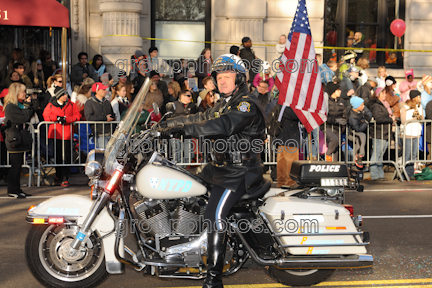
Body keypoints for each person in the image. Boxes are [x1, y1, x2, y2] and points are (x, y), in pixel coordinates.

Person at [159, 54, 265, 288]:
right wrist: (169, 124)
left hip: (240, 171)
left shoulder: (246, 103)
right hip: (220, 168)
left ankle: (213, 280)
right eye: (219, 77)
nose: (222, 81)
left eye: (227, 76)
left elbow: (224, 125)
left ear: (239, 78)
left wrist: (183, 132)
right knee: (188, 194)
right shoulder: (225, 103)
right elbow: (202, 116)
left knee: (214, 216)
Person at [43, 87, 81, 187]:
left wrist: (67, 119)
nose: (66, 96)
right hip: (55, 134)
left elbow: (78, 116)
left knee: (67, 156)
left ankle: (65, 177)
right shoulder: (51, 105)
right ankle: (58, 176)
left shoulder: (71, 105)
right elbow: (46, 116)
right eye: (64, 94)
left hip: (67, 134)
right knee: (58, 156)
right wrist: (57, 118)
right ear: (59, 96)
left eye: (66, 94)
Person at [3, 83, 36, 198]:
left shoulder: (18, 105)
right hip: (13, 138)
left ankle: (17, 188)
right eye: (22, 92)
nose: (24, 94)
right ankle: (12, 189)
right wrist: (27, 105)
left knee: (19, 165)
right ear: (16, 93)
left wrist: (28, 104)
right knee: (15, 165)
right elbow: (24, 117)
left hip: (19, 137)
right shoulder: (11, 106)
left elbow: (30, 113)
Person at [365, 87, 396, 181]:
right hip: (379, 132)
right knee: (376, 154)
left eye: (385, 93)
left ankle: (380, 174)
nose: (384, 95)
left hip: (386, 132)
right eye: (382, 93)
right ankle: (375, 175)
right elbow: (378, 118)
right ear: (377, 95)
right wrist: (391, 119)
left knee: (380, 154)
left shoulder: (384, 104)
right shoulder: (376, 105)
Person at [84, 82, 114, 149]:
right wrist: (105, 118)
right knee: (104, 155)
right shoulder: (89, 103)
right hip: (99, 134)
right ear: (97, 91)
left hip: (110, 133)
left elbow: (112, 115)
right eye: (103, 90)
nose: (105, 91)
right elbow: (89, 117)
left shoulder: (107, 102)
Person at [401, 90, 423, 179]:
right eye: (419, 97)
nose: (420, 98)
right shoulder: (405, 107)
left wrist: (420, 117)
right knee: (407, 154)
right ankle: (405, 174)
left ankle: (410, 174)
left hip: (416, 133)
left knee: (413, 155)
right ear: (415, 97)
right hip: (408, 133)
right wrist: (414, 119)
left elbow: (422, 119)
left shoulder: (419, 106)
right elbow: (403, 121)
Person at [346, 96, 372, 168]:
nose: (363, 106)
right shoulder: (352, 116)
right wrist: (366, 122)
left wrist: (367, 118)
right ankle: (359, 156)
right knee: (361, 137)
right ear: (356, 106)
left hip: (358, 131)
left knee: (360, 138)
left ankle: (358, 156)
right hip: (351, 132)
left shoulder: (361, 109)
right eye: (361, 105)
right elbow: (358, 129)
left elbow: (369, 113)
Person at [324, 82, 347, 161]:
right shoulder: (326, 101)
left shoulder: (342, 101)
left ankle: (334, 166)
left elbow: (345, 113)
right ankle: (328, 154)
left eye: (340, 90)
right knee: (334, 140)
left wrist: (345, 121)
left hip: (338, 128)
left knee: (336, 148)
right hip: (327, 126)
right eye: (338, 90)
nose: (340, 91)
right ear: (333, 91)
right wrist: (336, 120)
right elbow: (324, 116)